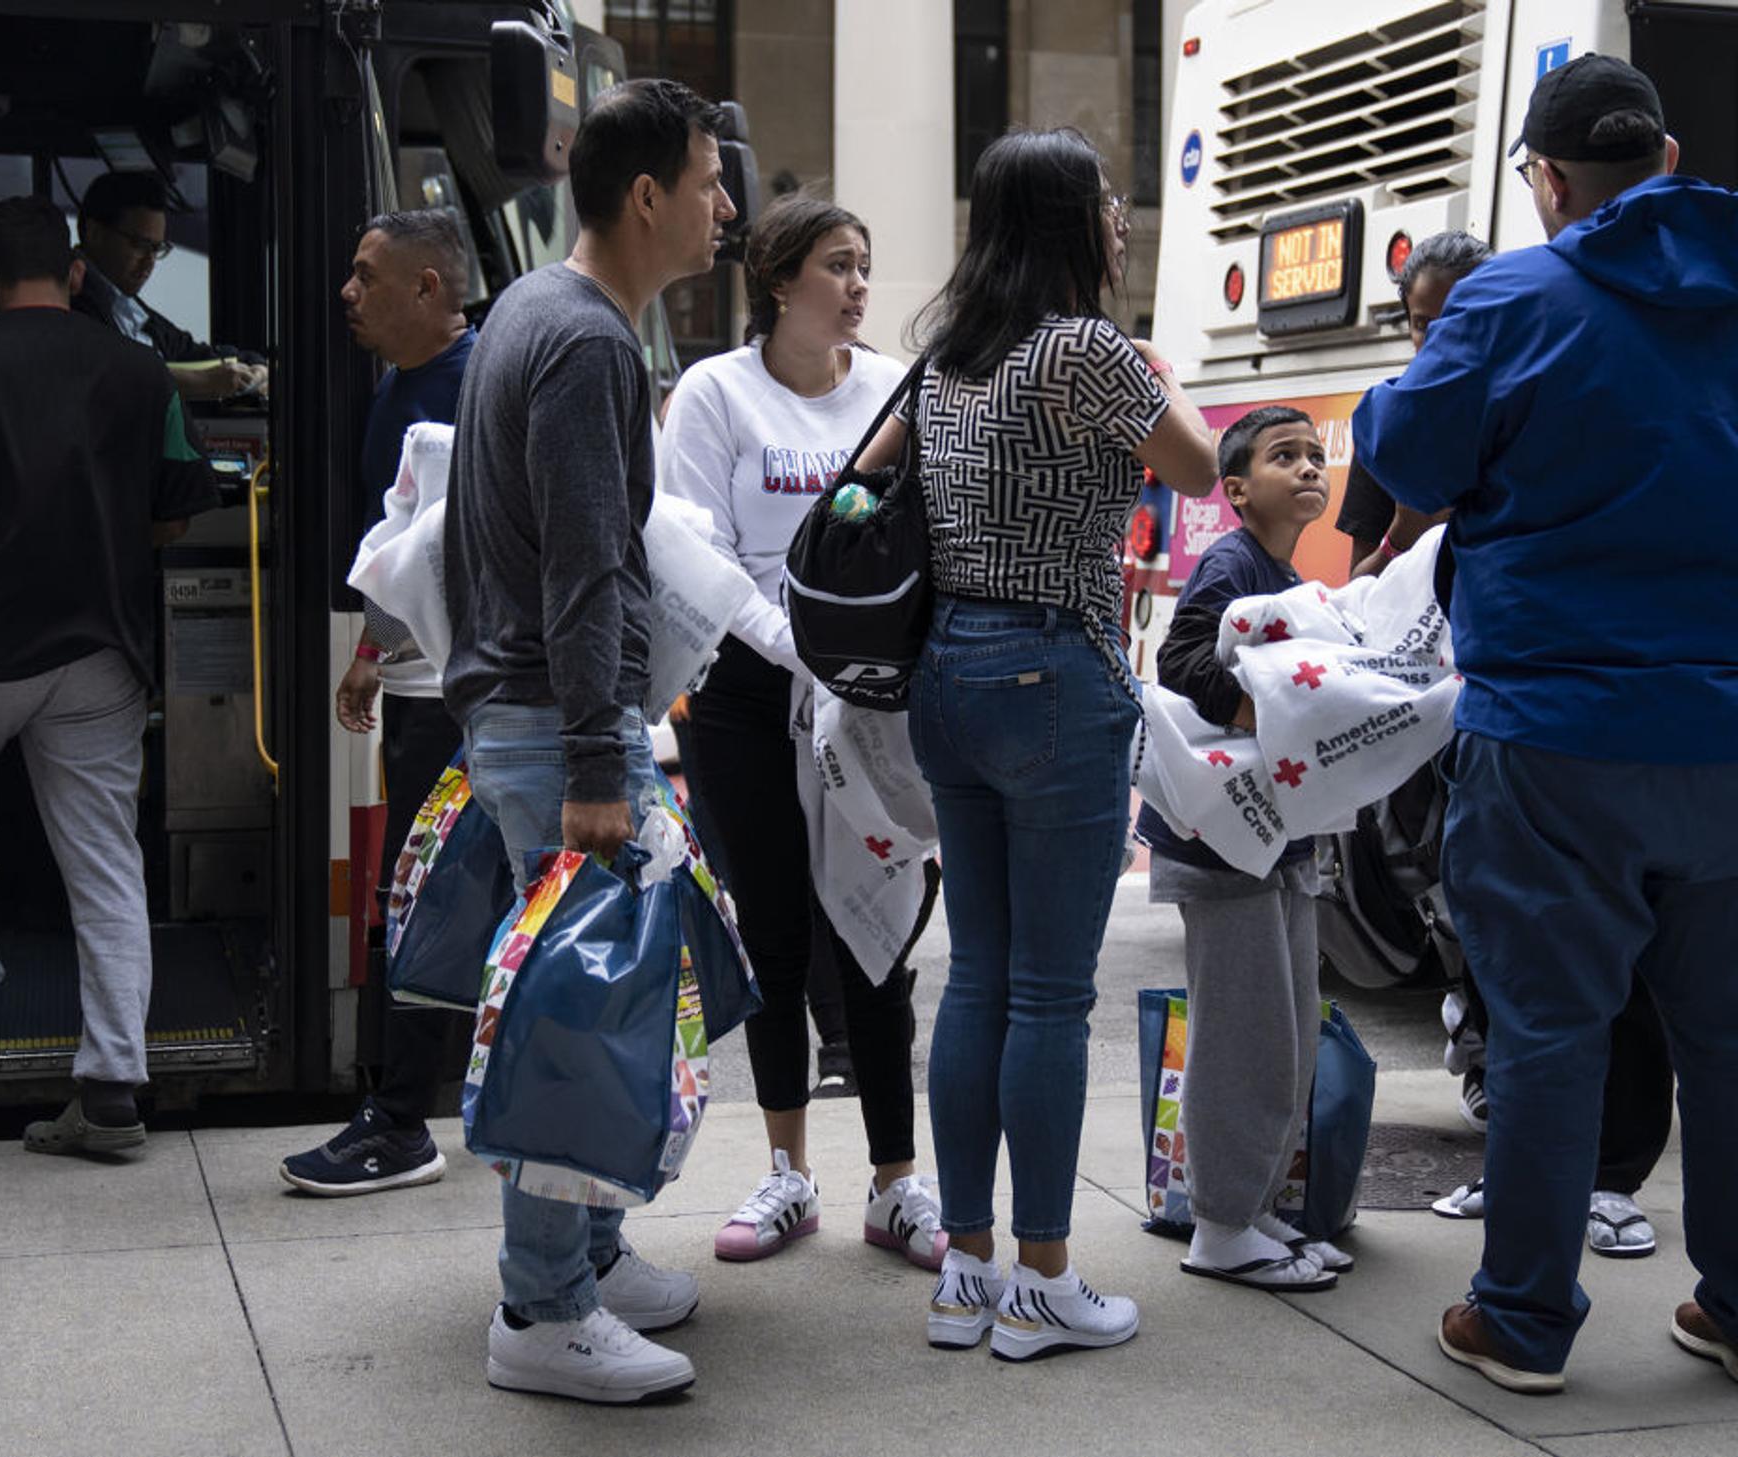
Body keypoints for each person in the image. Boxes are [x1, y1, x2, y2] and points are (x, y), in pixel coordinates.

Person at [1353, 55, 1738, 1393]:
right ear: (1671, 159)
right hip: (1728, 729)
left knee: (1550, 1035)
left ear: (1549, 180)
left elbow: (1404, 459)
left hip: (1555, 735)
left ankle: (1521, 1317)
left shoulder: (1513, 296)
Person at [861, 128, 1218, 1361]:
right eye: (1111, 207)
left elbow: (859, 487)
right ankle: (1045, 1281)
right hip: (1054, 673)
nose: (1123, 224)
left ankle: (963, 1270)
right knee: (1052, 997)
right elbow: (1203, 461)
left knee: (977, 976)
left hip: (945, 676)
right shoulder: (1082, 346)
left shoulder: (946, 354)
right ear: (1070, 221)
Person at [442, 79, 736, 1403]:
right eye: (711, 181)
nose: (725, 206)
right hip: (563, 730)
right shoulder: (589, 342)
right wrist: (599, 765)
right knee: (576, 1016)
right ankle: (543, 1306)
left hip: (542, 716)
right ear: (645, 198)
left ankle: (592, 1256)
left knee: (606, 1001)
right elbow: (584, 569)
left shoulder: (539, 311)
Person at [0, 195, 217, 1153]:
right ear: (77, 274)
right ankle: (114, 1088)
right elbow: (177, 510)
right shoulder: (137, 367)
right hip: (98, 649)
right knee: (106, 858)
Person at [658, 194, 941, 1269]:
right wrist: (795, 646)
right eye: (837, 265)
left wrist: (857, 664)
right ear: (778, 281)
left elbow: (920, 537)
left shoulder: (892, 394)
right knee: (775, 938)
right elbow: (700, 554)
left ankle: (896, 1184)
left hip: (869, 701)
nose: (860, 284)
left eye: (865, 263)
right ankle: (786, 1172)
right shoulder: (715, 395)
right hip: (745, 696)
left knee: (883, 943)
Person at [1135, 406, 1360, 1291]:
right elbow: (1185, 658)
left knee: (1292, 1030)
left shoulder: (1278, 569)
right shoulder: (1233, 563)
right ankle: (1222, 1225)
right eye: (1284, 457)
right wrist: (1279, 719)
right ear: (1233, 491)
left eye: (1315, 455)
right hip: (1227, 842)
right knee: (1246, 1036)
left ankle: (1258, 1211)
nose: (1309, 467)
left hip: (1275, 841)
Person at [278, 209, 477, 1196]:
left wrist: (371, 646)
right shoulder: (402, 382)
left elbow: (437, 552)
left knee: (424, 891)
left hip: (451, 692)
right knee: (432, 889)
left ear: (428, 289)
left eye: (366, 276)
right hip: (421, 682)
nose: (347, 294)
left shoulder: (469, 390)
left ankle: (403, 1119)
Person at [1339, 231, 1491, 579]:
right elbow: (1357, 590)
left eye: (1454, 320)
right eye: (1422, 324)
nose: (1438, 338)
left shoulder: (1523, 410)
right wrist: (1403, 533)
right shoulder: (1388, 429)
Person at [70, 170, 263, 401]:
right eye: (140, 245)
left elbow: (188, 351)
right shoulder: (68, 298)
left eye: (157, 249)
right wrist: (201, 382)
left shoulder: (127, 306)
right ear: (95, 233)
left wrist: (254, 365)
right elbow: (106, 373)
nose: (149, 261)